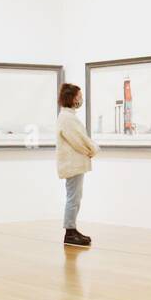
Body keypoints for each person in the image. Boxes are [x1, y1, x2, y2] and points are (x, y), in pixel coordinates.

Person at [56, 82, 97, 247]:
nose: (81, 99)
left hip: (73, 163)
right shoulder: (67, 118)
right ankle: (70, 232)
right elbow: (78, 140)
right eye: (79, 96)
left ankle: (72, 230)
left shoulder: (68, 116)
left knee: (74, 197)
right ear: (71, 98)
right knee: (73, 198)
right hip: (72, 164)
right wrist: (92, 149)